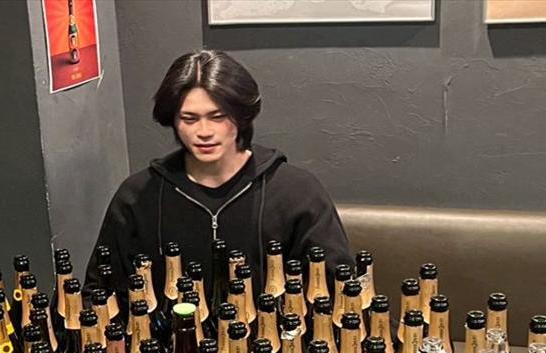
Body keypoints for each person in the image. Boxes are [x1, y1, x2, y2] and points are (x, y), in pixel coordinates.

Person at [84, 49, 352, 312]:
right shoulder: (138, 196)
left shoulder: (297, 192)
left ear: (242, 116)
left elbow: (340, 290)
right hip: (169, 338)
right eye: (189, 119)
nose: (204, 132)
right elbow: (99, 293)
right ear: (173, 121)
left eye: (218, 117)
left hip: (275, 337)